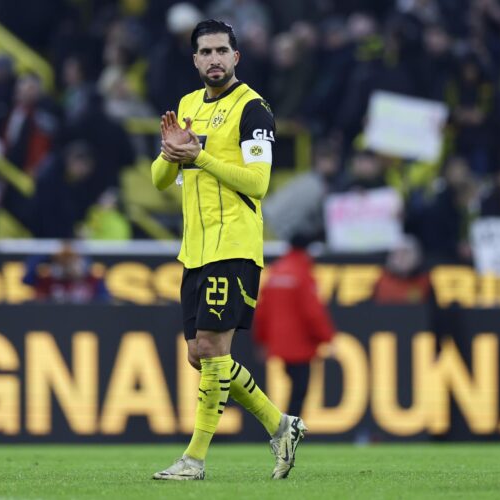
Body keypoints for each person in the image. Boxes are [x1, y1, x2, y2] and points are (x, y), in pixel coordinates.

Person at [149, 19, 306, 481]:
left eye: (222, 50)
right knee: (200, 354)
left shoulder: (253, 108)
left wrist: (199, 156)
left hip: (234, 245)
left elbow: (258, 184)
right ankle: (282, 425)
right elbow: (160, 181)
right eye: (205, 52)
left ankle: (193, 460)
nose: (214, 59)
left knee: (214, 351)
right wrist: (170, 153)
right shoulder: (187, 105)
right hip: (194, 250)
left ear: (236, 57)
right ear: (195, 59)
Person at [253, 233, 335, 418]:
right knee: (300, 390)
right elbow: (312, 312)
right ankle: (289, 430)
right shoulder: (302, 273)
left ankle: (287, 427)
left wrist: (262, 341)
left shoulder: (276, 271)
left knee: (295, 387)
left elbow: (262, 312)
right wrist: (327, 338)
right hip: (300, 345)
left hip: (279, 343)